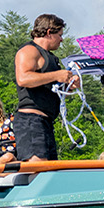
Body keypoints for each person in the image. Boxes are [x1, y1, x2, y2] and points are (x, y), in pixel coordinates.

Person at [13, 14, 80, 162]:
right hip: (30, 120)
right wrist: (56, 75)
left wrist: (69, 86)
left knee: (49, 169)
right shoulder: (29, 51)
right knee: (38, 169)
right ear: (49, 32)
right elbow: (23, 79)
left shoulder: (51, 58)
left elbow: (51, 86)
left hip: (46, 122)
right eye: (60, 35)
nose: (61, 39)